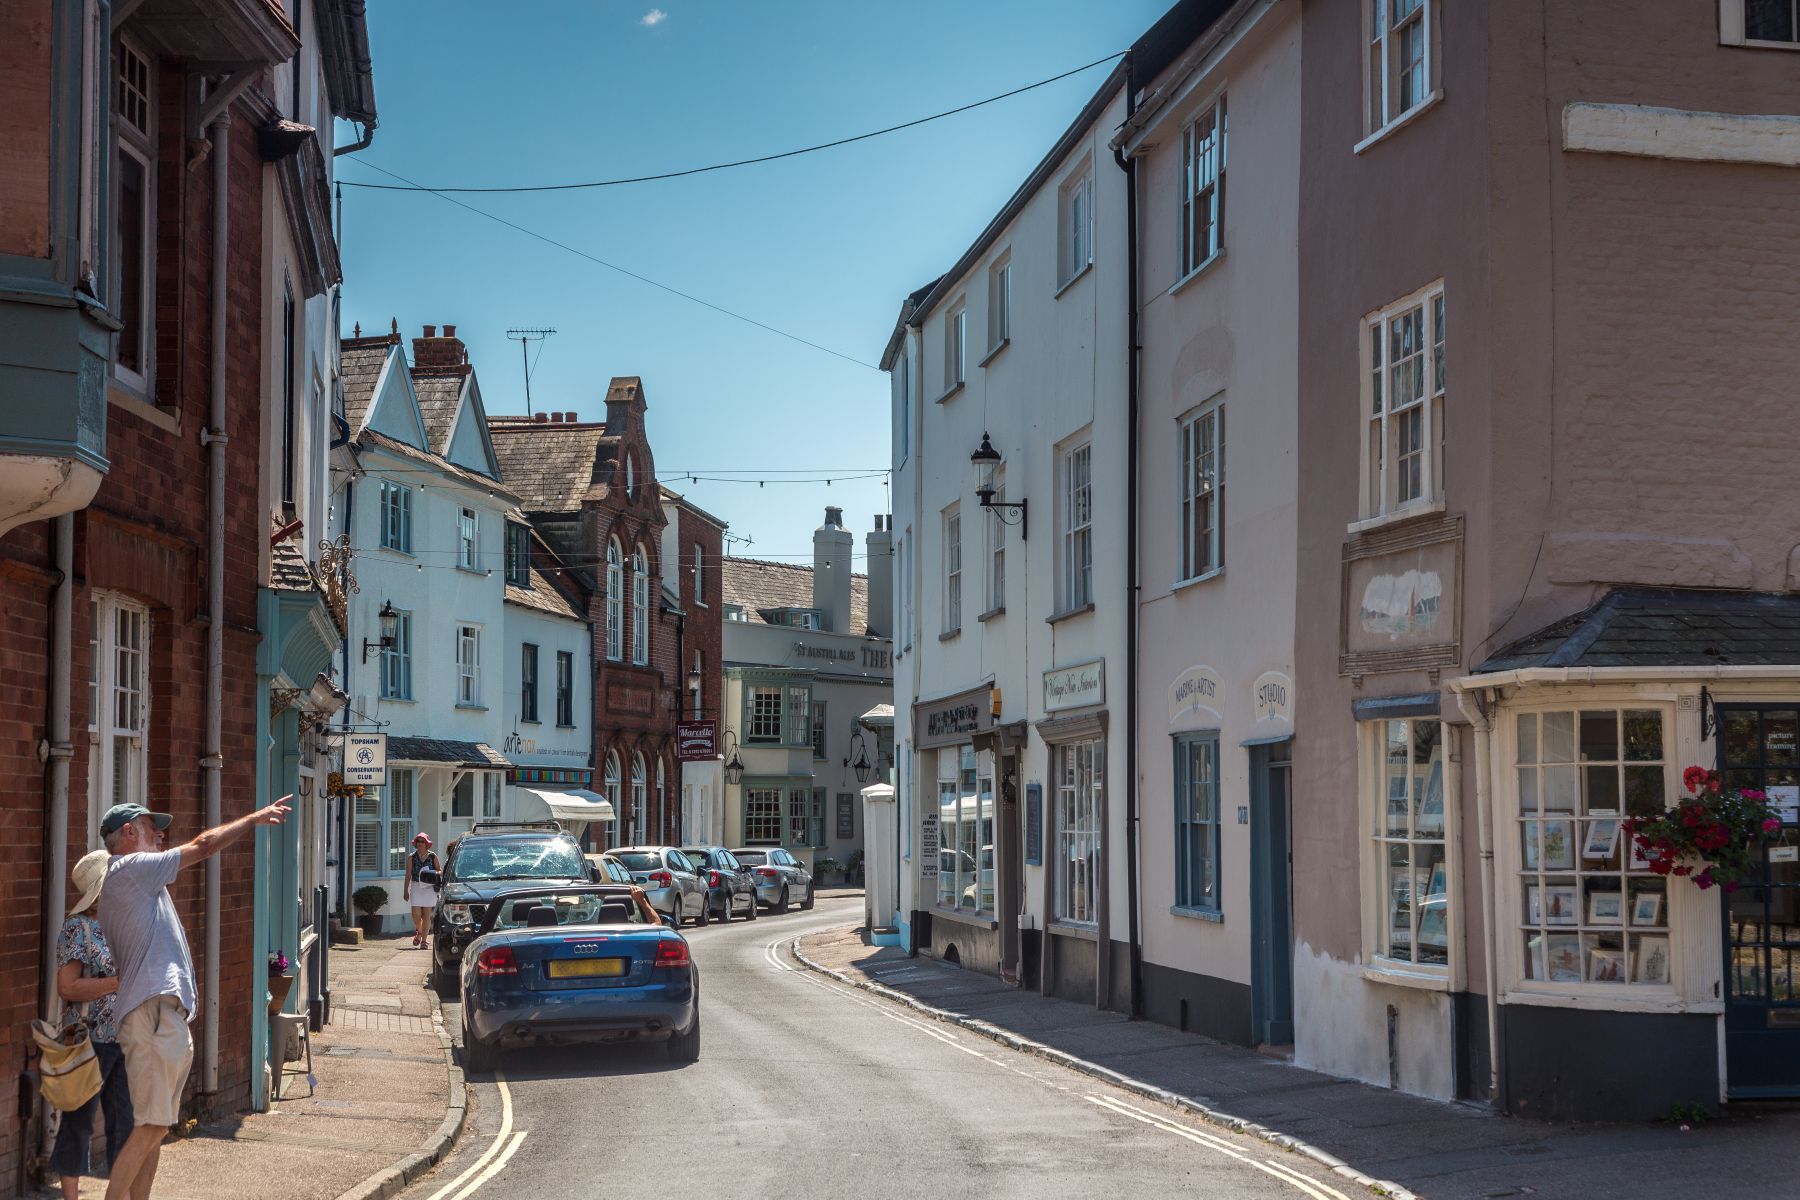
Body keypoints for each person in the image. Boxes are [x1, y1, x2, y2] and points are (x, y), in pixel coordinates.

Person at [96, 796, 290, 1200]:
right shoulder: (131, 869)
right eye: (152, 828)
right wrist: (253, 818)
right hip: (152, 1015)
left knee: (155, 1126)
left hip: (159, 1015)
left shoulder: (141, 884)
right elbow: (204, 846)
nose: (161, 835)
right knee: (150, 1127)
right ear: (129, 834)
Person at [50, 849, 139, 1200]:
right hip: (88, 1040)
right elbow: (66, 987)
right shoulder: (77, 929)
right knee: (79, 1120)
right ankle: (71, 1196)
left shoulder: (119, 924)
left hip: (125, 1038)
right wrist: (117, 982)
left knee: (126, 1125)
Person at [405, 833, 440, 948]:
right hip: (415, 886)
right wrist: (405, 890)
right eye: (418, 841)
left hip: (429, 887)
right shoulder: (412, 856)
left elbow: (440, 870)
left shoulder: (432, 856)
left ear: (426, 843)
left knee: (426, 915)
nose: (420, 843)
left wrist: (432, 873)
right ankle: (419, 931)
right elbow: (408, 874)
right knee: (416, 914)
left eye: (422, 841)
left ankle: (424, 941)